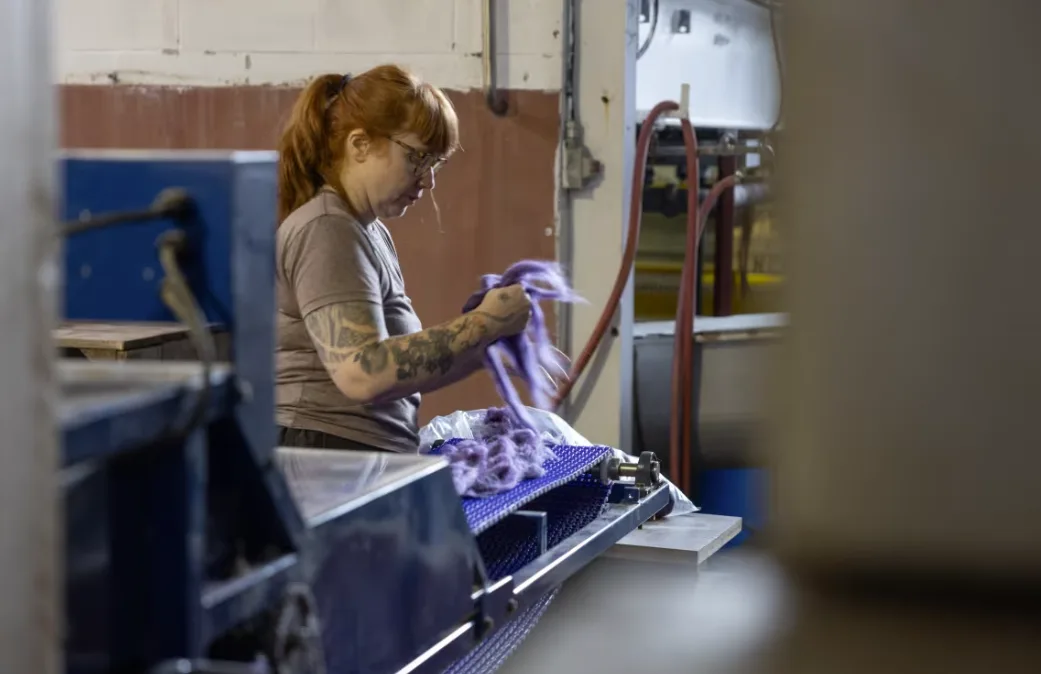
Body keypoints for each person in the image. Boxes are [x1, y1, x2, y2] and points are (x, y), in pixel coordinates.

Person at [274, 65, 532, 453]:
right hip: (323, 454)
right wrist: (483, 323)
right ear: (360, 145)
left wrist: (482, 346)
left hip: (344, 453)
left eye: (436, 164)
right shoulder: (327, 228)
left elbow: (398, 372)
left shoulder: (367, 230)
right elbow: (363, 374)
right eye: (417, 158)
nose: (428, 181)